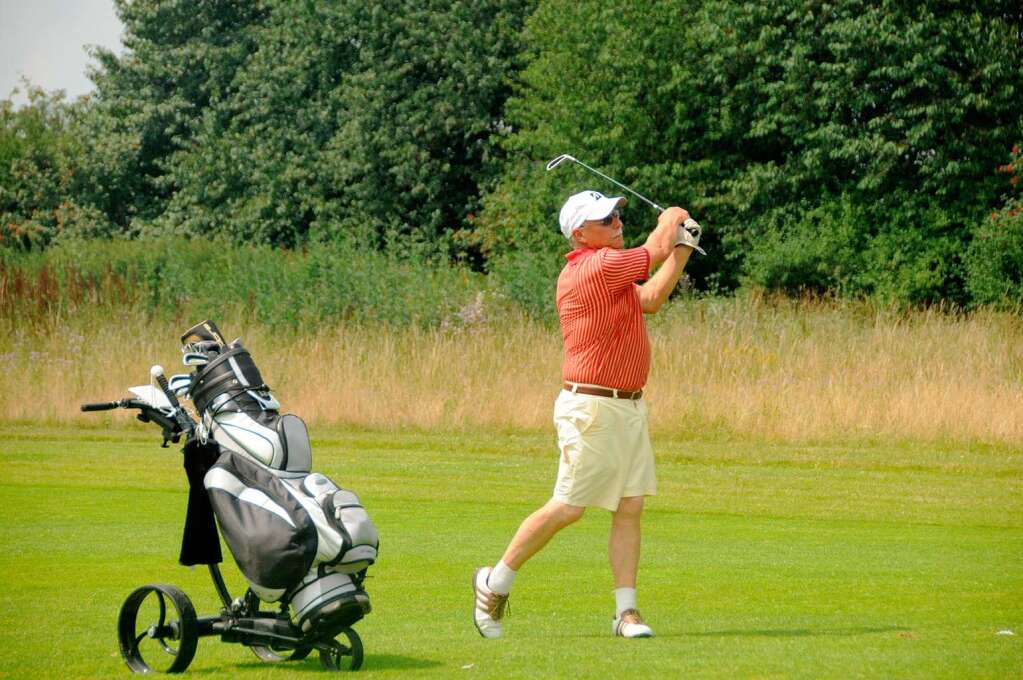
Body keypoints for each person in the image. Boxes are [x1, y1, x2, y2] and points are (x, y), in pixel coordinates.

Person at [473, 189, 702, 639]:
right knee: (569, 507)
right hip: (591, 407)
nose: (617, 221)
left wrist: (684, 248)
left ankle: (626, 613)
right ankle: (494, 581)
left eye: (617, 213)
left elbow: (652, 297)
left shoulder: (611, 276)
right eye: (605, 219)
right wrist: (674, 219)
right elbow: (653, 250)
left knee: (630, 506)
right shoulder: (592, 267)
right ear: (580, 233)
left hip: (629, 405)